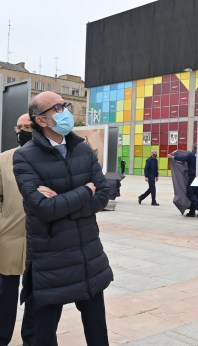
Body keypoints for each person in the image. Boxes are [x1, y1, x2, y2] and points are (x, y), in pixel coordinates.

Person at [13, 91, 113, 346]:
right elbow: (42, 208)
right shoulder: (25, 156)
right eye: (57, 108)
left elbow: (103, 194)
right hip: (51, 260)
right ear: (41, 121)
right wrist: (85, 190)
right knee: (45, 331)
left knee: (97, 331)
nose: (65, 111)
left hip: (87, 255)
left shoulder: (83, 149)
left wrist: (62, 205)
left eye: (64, 105)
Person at [0, 114, 35, 346]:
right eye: (19, 127)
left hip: (39, 240)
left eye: (28, 127)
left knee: (36, 296)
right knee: (5, 295)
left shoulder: (51, 158)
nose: (22, 131)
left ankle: (31, 339)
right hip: (9, 238)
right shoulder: (3, 159)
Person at [169, 144, 198, 217]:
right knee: (196, 195)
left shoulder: (191, 155)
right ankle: (192, 212)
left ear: (194, 148)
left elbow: (182, 159)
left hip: (193, 177)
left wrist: (172, 157)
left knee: (189, 193)